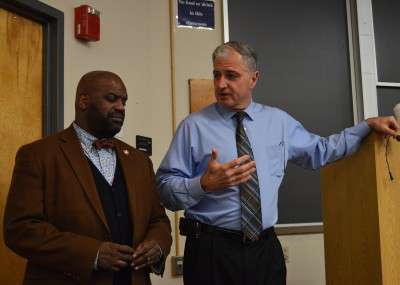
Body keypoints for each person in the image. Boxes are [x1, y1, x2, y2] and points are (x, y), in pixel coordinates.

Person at [155, 41, 399, 285]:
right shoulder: (193, 126)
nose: (220, 84)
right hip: (211, 252)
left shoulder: (278, 122)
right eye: (216, 75)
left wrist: (366, 126)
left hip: (264, 250)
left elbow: (321, 151)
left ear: (254, 78)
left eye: (231, 75)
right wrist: (204, 184)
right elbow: (165, 190)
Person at [4, 71, 172, 285]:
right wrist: (92, 254)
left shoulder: (140, 161)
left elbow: (158, 220)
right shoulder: (38, 155)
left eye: (124, 101)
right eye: (112, 99)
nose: (121, 107)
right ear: (83, 101)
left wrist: (157, 245)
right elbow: (20, 229)